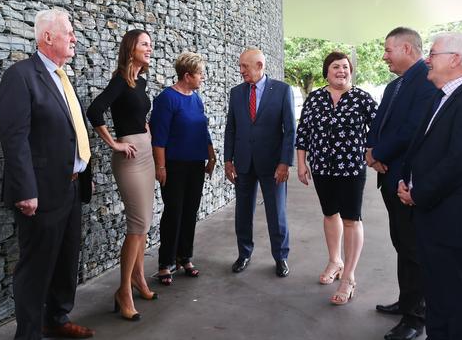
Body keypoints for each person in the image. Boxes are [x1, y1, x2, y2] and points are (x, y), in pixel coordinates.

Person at [0, 9, 95, 339]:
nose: (74, 38)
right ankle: (28, 334)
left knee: (66, 261)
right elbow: (15, 138)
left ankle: (57, 318)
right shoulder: (21, 76)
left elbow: (70, 132)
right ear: (47, 37)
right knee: (36, 267)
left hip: (70, 187)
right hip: (39, 193)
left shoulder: (63, 78)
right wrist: (26, 190)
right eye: (68, 32)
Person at [398, 32, 462, 340]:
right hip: (431, 216)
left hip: (452, 220)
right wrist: (405, 178)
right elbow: (420, 148)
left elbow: (456, 164)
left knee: (458, 303)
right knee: (438, 300)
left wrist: (417, 194)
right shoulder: (442, 96)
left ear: (455, 59)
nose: (427, 58)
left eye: (433, 53)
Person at [366, 27, 437, 340]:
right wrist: (371, 151)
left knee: (413, 249)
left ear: (407, 48)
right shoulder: (396, 85)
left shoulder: (426, 80)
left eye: (387, 50)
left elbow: (412, 130)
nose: (384, 57)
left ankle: (415, 318)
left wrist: (380, 153)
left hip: (406, 180)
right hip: (388, 174)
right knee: (401, 244)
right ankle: (406, 301)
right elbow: (380, 123)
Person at [295, 51, 377, 305]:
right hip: (321, 167)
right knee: (330, 213)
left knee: (351, 219)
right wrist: (301, 164)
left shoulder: (362, 98)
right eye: (335, 67)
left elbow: (379, 128)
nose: (341, 71)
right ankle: (335, 261)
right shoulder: (316, 97)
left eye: (345, 67)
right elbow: (304, 131)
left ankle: (349, 276)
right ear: (326, 72)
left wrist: (370, 152)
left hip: (351, 169)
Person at [86, 29, 155, 321]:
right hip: (130, 159)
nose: (149, 48)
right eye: (144, 44)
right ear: (131, 49)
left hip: (147, 154)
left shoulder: (140, 82)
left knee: (145, 224)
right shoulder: (120, 80)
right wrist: (114, 143)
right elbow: (95, 110)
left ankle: (139, 279)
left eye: (151, 44)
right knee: (137, 224)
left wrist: (147, 134)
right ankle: (123, 290)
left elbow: (139, 117)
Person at [223, 48, 295, 278]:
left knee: (277, 213)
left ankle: (280, 256)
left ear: (260, 66)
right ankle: (244, 254)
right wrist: (227, 159)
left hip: (273, 164)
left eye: (245, 66)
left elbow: (290, 131)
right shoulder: (236, 93)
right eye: (240, 65)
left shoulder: (283, 91)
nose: (241, 70)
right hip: (243, 163)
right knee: (243, 212)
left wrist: (285, 162)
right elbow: (231, 128)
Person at [150, 51, 216, 285]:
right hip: (174, 166)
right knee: (173, 212)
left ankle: (184, 257)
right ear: (187, 76)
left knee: (190, 212)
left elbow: (202, 129)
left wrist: (211, 156)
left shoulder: (196, 98)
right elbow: (159, 137)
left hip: (196, 164)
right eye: (200, 74)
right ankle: (164, 263)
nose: (203, 78)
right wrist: (160, 166)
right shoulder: (167, 99)